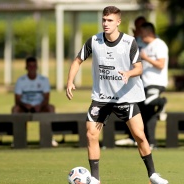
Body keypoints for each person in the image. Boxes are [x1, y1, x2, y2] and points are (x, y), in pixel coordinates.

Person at [66, 6, 168, 184]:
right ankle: (95, 179)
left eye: (110, 20)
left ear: (118, 22)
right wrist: (69, 81)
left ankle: (153, 175)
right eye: (104, 20)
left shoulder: (130, 42)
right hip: (101, 98)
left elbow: (139, 67)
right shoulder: (94, 41)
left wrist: (129, 73)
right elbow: (77, 60)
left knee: (140, 136)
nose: (106, 24)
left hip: (125, 97)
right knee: (91, 134)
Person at [115, 21, 169, 149]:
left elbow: (161, 64)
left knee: (149, 102)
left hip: (156, 82)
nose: (141, 35)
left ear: (149, 32)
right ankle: (151, 142)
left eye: (142, 33)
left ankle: (162, 102)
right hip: (144, 83)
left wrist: (146, 58)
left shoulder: (159, 45)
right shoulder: (144, 45)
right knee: (146, 113)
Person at [12, 56, 58, 147]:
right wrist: (25, 105)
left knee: (51, 108)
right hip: (24, 106)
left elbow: (47, 98)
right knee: (15, 109)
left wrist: (40, 106)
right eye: (30, 66)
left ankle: (50, 137)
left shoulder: (44, 80)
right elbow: (17, 99)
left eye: (34, 66)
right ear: (26, 67)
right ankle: (17, 139)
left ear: (37, 67)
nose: (32, 68)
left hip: (40, 106)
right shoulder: (21, 81)